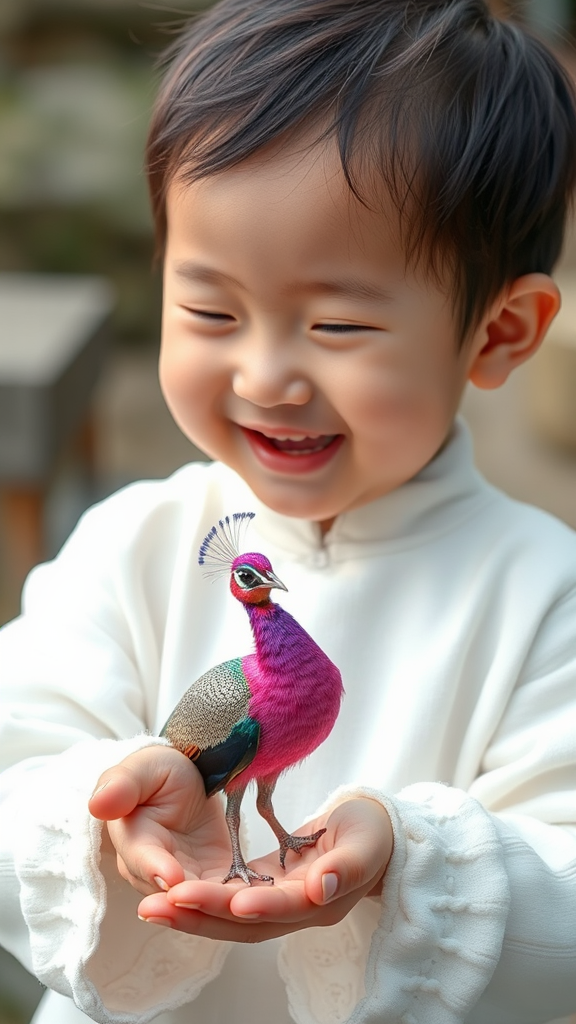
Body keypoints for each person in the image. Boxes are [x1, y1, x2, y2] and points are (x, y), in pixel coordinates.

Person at [1, 1, 576, 1022]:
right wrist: (108, 819)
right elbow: (16, 755)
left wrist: (409, 859)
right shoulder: (131, 547)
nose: (266, 376)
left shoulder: (544, 597)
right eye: (211, 309)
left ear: (498, 332)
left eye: (339, 323)